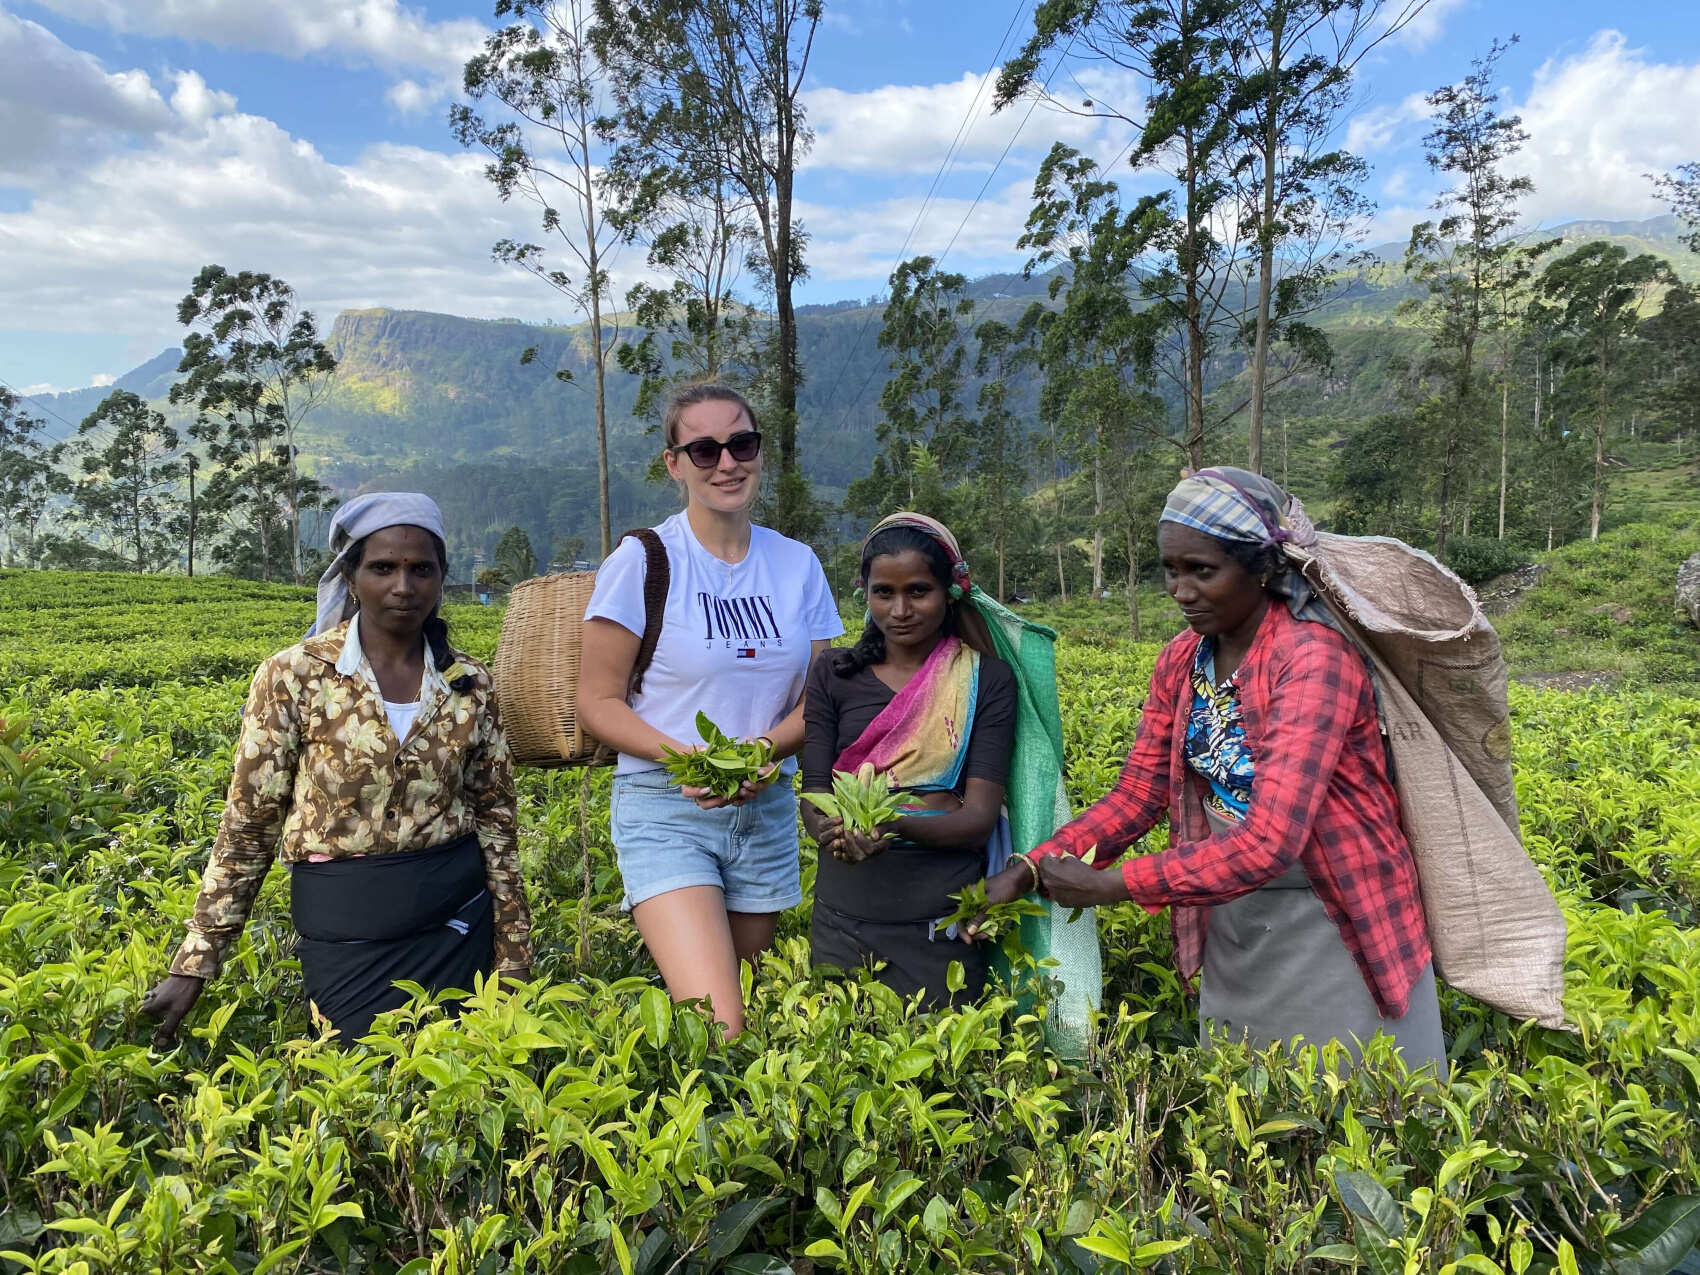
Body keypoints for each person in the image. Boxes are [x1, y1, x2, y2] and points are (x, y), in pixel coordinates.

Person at [975, 468, 1445, 1073]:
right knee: (1254, 1120)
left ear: (1260, 567)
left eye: (1202, 571)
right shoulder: (1182, 660)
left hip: (1335, 918)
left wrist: (1117, 885)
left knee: (1359, 1116)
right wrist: (1029, 868)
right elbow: (1138, 796)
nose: (1182, 590)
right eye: (1172, 570)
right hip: (1232, 912)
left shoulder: (1314, 659)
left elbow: (1272, 840)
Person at [142, 493, 532, 1046]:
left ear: (442, 578)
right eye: (383, 568)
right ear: (351, 578)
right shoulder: (294, 676)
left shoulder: (469, 682)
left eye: (422, 569)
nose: (404, 585)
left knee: (459, 1085)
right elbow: (250, 823)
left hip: (456, 921)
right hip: (345, 928)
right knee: (356, 1077)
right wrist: (196, 960)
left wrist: (513, 956)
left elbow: (496, 823)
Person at [577, 384, 843, 1036]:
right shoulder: (642, 561)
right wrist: (685, 757)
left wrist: (763, 752)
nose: (727, 463)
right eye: (704, 449)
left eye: (741, 443)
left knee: (745, 1007)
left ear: (759, 451)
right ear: (675, 463)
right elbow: (596, 700)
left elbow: (821, 697)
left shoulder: (797, 565)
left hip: (765, 810)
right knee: (722, 1025)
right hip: (666, 808)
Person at [801, 514, 1017, 1007]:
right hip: (843, 920)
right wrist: (835, 832)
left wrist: (883, 821)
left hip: (940, 925)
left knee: (948, 1071)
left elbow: (977, 819)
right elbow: (814, 795)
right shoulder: (832, 674)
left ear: (950, 592)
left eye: (919, 591)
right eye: (884, 593)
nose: (900, 610)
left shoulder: (987, 680)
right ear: (865, 592)